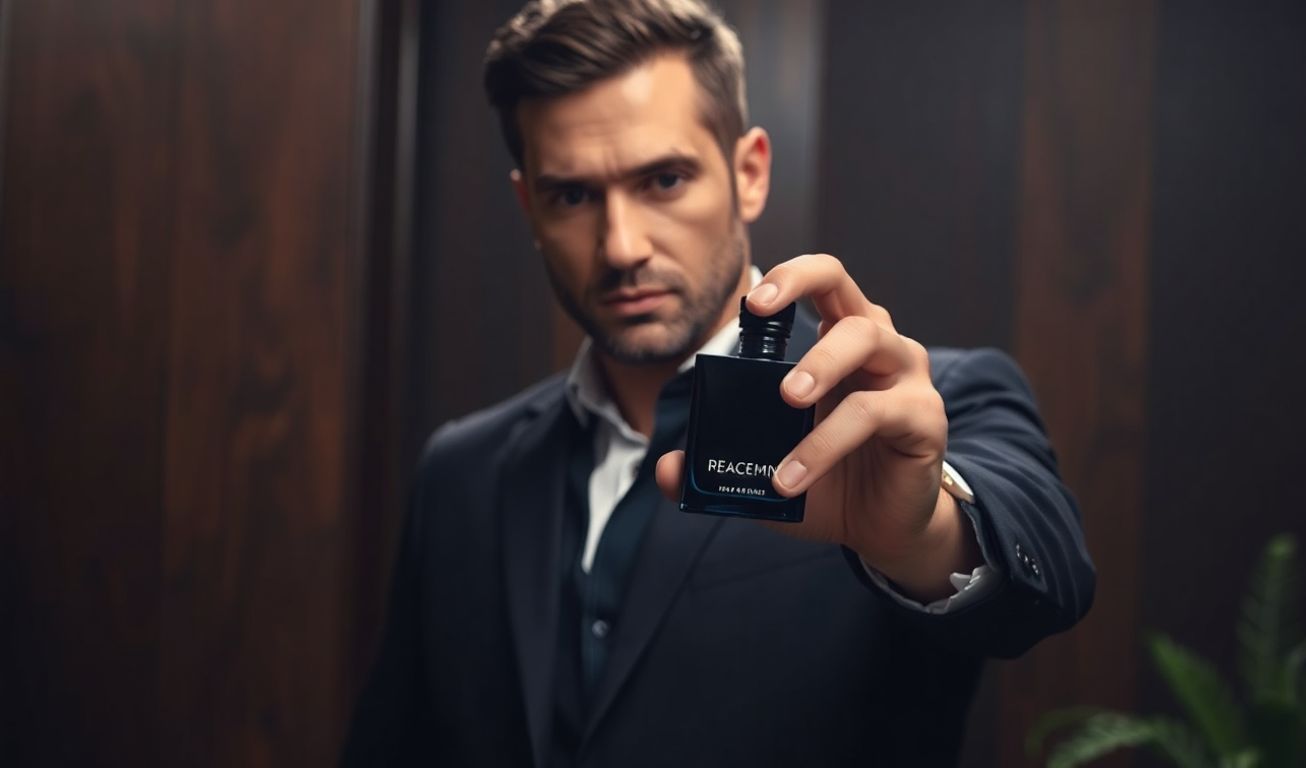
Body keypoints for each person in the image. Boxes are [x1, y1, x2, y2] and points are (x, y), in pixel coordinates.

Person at [343, 0, 1094, 765]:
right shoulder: (461, 472)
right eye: (572, 195)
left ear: (749, 173)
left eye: (664, 179)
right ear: (528, 206)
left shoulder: (907, 411)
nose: (621, 246)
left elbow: (1051, 584)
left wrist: (921, 534)